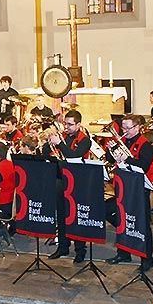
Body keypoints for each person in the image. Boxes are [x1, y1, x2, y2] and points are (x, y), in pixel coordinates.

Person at [105, 114, 153, 272]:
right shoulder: (123, 141)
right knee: (122, 220)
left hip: (139, 190)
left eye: (128, 128)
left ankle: (147, 259)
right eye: (123, 128)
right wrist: (111, 150)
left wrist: (126, 159)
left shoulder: (146, 145)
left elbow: (143, 166)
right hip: (122, 187)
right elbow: (110, 159)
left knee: (142, 224)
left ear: (138, 127)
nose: (124, 131)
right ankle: (123, 252)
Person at [47, 110, 92, 263]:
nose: (66, 127)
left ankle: (80, 250)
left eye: (70, 124)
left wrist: (59, 144)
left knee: (76, 216)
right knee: (61, 215)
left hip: (78, 182)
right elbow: (51, 153)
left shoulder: (85, 140)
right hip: (61, 179)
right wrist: (49, 143)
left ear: (79, 124)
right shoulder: (64, 136)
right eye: (65, 124)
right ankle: (63, 246)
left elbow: (74, 156)